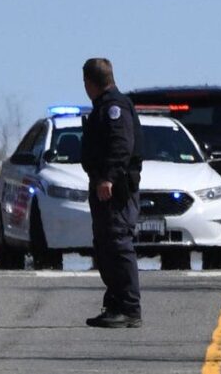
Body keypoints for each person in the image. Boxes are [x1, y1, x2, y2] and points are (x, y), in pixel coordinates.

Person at [80, 58, 144, 328]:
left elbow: (121, 146)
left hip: (116, 191)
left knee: (118, 245)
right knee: (106, 247)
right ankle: (116, 304)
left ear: (89, 83)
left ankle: (130, 308)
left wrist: (108, 178)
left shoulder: (114, 108)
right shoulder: (104, 107)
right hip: (104, 188)